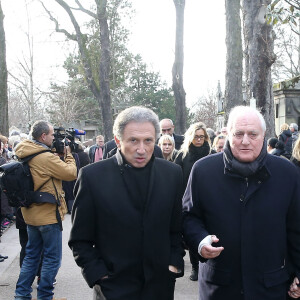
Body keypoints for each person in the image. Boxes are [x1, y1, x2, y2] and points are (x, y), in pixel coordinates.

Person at [182, 106, 300, 300]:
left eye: (253, 134)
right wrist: (201, 241)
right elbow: (188, 217)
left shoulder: (286, 173)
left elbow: (296, 228)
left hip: (270, 287)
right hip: (219, 287)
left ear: (264, 135)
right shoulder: (203, 171)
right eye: (238, 134)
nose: (245, 141)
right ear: (228, 134)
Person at [69, 106, 184, 300]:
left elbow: (176, 228)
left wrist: (173, 264)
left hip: (160, 286)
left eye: (148, 140)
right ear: (117, 140)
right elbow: (80, 239)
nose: (141, 149)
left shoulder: (172, 173)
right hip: (113, 288)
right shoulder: (92, 176)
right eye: (133, 140)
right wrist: (99, 275)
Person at [14, 120, 77, 300]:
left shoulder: (23, 151)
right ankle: (45, 296)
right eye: (51, 135)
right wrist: (68, 154)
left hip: (30, 214)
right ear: (43, 136)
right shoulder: (45, 157)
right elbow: (70, 173)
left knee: (31, 256)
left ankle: (21, 295)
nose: (53, 137)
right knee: (51, 259)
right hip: (48, 216)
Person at [175, 122, 211, 282]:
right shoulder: (182, 155)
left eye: (202, 137)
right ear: (190, 137)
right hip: (187, 200)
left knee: (207, 232)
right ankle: (195, 267)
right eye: (196, 136)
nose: (199, 140)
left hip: (208, 198)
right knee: (192, 233)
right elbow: (176, 177)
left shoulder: (211, 153)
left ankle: (207, 265)